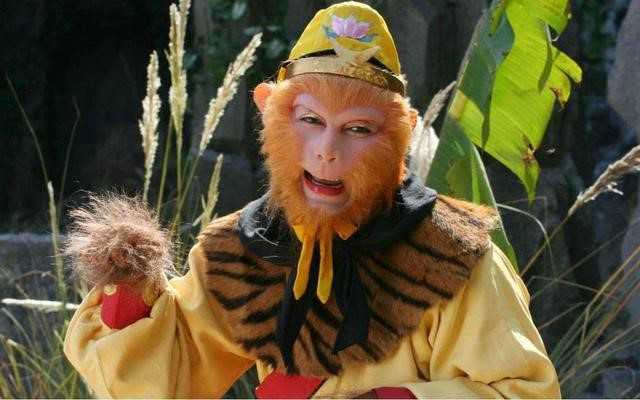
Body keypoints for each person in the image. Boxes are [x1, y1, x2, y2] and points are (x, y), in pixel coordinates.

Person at [64, 1, 561, 398]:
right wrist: (130, 289)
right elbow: (167, 380)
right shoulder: (245, 246)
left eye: (358, 129)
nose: (327, 150)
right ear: (270, 114)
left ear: (402, 136)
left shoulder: (456, 258)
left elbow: (523, 392)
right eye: (309, 120)